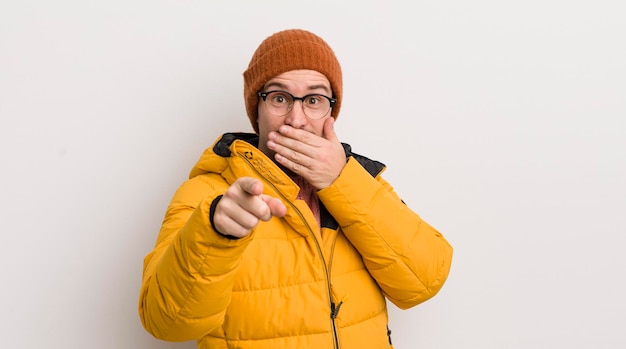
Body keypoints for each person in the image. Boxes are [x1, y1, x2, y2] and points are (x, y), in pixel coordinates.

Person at [139, 28, 453, 349]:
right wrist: (215, 235)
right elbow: (167, 324)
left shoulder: (362, 182)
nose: (297, 119)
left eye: (314, 100)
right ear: (256, 112)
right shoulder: (206, 193)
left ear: (331, 111)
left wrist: (341, 181)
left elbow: (423, 282)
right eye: (279, 98)